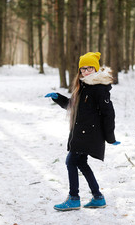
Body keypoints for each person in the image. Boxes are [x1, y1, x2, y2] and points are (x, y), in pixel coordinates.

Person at [45, 52, 120, 211]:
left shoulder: (99, 88)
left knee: (71, 161)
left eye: (89, 68)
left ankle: (73, 198)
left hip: (89, 134)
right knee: (80, 162)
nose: (85, 71)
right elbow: (73, 107)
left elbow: (108, 114)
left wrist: (110, 137)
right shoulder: (83, 86)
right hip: (81, 132)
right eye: (83, 69)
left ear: (96, 69)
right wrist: (58, 98)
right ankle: (98, 197)